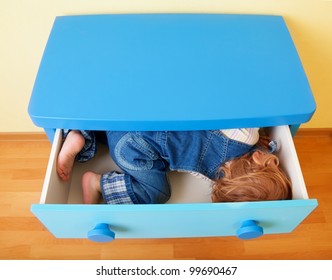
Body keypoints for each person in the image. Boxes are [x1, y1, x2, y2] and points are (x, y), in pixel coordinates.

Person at [56, 129, 292, 204]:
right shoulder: (216, 177)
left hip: (131, 128)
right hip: (132, 147)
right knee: (156, 193)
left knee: (105, 122)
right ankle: (97, 181)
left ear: (262, 160)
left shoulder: (244, 136)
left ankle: (81, 134)